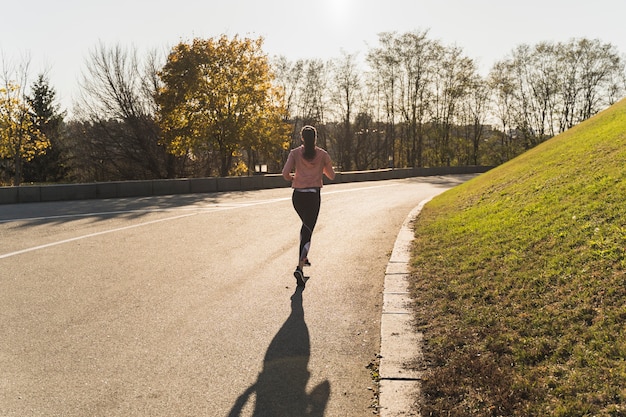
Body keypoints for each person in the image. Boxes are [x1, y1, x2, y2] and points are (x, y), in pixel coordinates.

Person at [282, 125, 336, 286]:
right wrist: (320, 170)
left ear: (302, 138)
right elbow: (332, 175)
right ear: (316, 138)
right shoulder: (322, 154)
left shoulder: (294, 153)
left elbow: (285, 174)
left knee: (305, 228)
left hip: (297, 196)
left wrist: (294, 178)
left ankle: (303, 258)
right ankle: (299, 268)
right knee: (307, 231)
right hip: (313, 196)